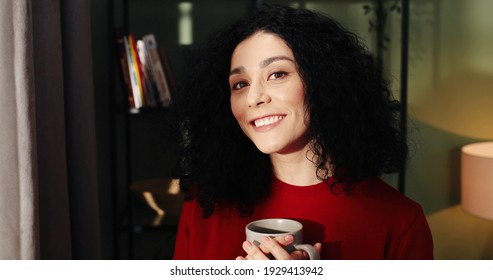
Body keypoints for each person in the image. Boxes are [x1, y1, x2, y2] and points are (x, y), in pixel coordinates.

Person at [170, 4, 433, 260]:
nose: (254, 98)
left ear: (324, 81)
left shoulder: (400, 222)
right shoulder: (204, 203)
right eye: (240, 83)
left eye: (277, 74)